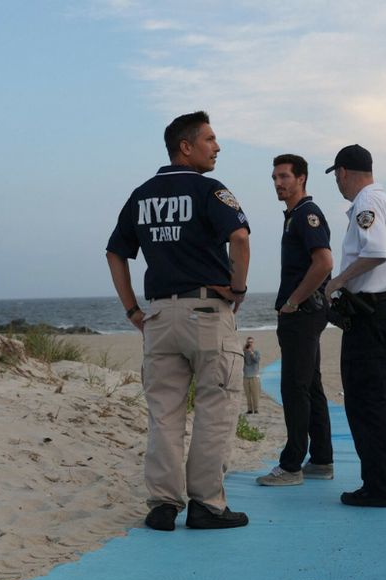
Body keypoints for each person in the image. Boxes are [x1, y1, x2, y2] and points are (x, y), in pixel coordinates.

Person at [105, 111, 251, 531]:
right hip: (206, 312)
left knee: (164, 413)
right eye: (210, 139)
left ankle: (163, 505)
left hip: (159, 315)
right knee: (215, 407)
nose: (217, 146)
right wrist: (237, 289)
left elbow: (116, 252)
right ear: (185, 146)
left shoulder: (142, 195)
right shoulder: (209, 190)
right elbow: (239, 238)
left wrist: (133, 309)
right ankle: (205, 503)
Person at [323, 145, 386, 508]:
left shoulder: (365, 206)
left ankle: (379, 487)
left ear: (344, 172)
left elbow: (376, 250)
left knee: (369, 402)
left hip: (370, 314)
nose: (337, 182)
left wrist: (338, 282)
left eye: (336, 175)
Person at [256, 153, 334, 487]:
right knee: (311, 385)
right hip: (305, 314)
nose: (278, 183)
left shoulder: (307, 215)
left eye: (284, 176)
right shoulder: (294, 216)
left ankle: (291, 466)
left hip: (302, 314)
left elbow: (325, 262)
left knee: (294, 387)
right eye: (274, 177)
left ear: (301, 178)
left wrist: (292, 301)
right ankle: (321, 459)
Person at [243, 336, 261, 414]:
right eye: (248, 342)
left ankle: (256, 409)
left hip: (254, 376)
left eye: (251, 342)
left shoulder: (256, 352)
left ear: (253, 343)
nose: (249, 344)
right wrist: (243, 350)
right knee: (247, 395)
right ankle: (249, 409)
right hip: (246, 376)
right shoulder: (244, 352)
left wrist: (251, 353)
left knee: (255, 394)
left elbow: (256, 360)